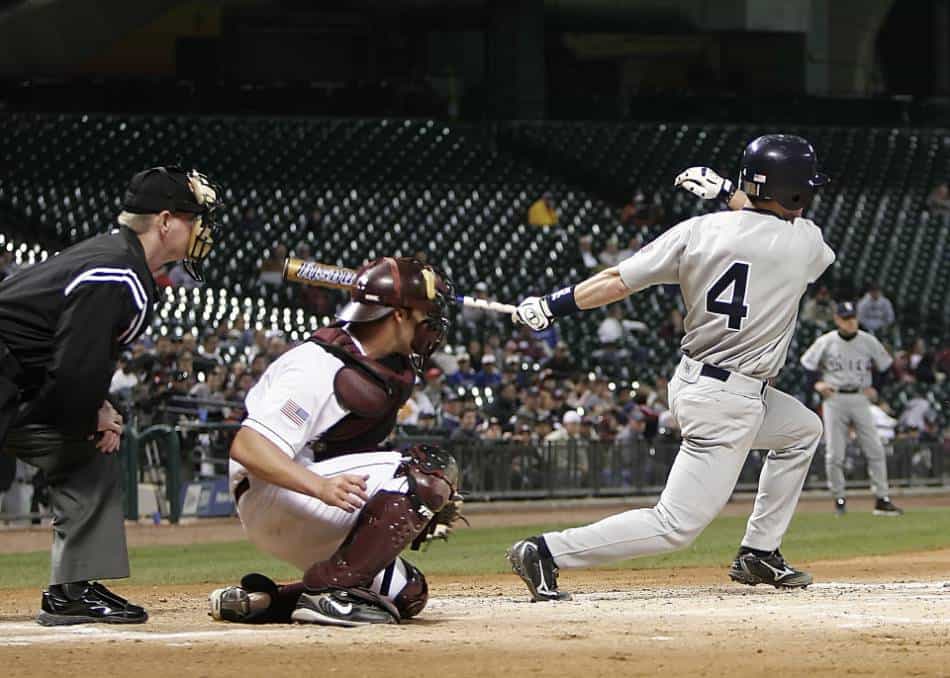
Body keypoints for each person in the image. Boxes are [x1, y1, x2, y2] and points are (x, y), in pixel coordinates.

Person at [506, 134, 834, 600]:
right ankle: (546, 551)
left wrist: (551, 306)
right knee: (674, 526)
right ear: (795, 192)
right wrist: (725, 189)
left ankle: (760, 551)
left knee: (802, 430)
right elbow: (773, 222)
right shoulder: (805, 242)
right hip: (727, 403)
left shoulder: (696, 231)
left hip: (696, 383)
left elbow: (617, 281)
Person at [0, 165, 221, 625]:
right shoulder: (116, 269)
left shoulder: (122, 263)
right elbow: (74, 367)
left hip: (17, 380)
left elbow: (63, 349)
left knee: (85, 454)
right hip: (10, 376)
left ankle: (73, 589)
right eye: (194, 216)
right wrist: (90, 413)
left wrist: (96, 408)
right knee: (84, 440)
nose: (202, 228)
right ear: (165, 221)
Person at [208, 257, 463, 627]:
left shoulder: (374, 365)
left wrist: (416, 512)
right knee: (429, 468)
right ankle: (332, 593)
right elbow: (248, 447)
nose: (432, 326)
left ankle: (265, 603)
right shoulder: (316, 364)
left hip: (301, 506)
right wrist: (319, 486)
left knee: (407, 594)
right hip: (278, 495)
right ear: (398, 316)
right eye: (426, 314)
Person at [800, 302, 903, 516]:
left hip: (859, 397)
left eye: (853, 317)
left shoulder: (867, 340)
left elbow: (886, 367)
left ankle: (882, 499)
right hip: (834, 398)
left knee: (875, 448)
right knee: (835, 454)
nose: (851, 322)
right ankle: (839, 499)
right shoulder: (826, 341)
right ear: (837, 320)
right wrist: (818, 384)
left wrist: (876, 389)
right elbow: (807, 366)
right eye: (846, 318)